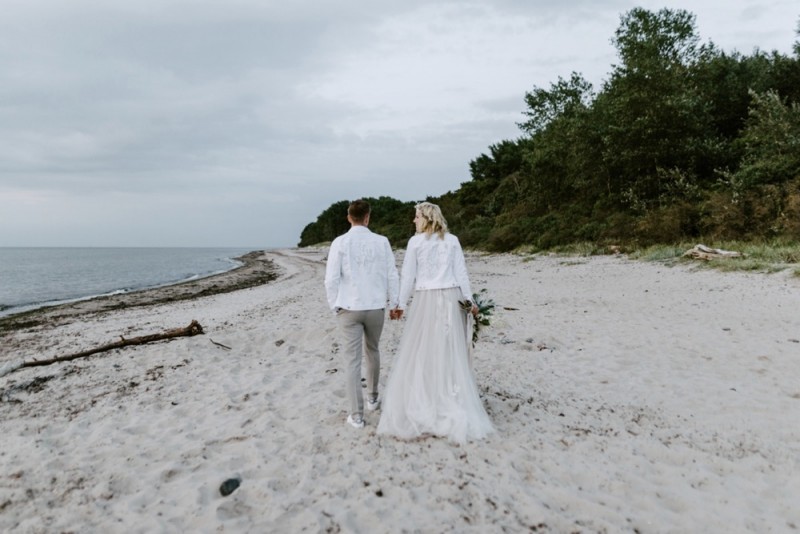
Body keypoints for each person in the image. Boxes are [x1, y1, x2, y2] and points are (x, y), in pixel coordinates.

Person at [377, 202, 494, 444]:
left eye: (417, 216)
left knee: (423, 350)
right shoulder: (452, 240)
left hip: (426, 300)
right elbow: (461, 274)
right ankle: (448, 398)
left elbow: (408, 276)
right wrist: (469, 301)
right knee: (448, 351)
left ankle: (429, 400)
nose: (414, 221)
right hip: (451, 299)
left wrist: (400, 304)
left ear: (427, 218)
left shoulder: (416, 243)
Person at [325, 199, 400, 429]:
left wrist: (334, 305)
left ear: (349, 217)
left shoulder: (340, 242)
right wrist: (395, 302)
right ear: (367, 217)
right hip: (375, 307)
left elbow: (331, 279)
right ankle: (373, 398)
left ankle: (357, 415)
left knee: (352, 360)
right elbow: (392, 275)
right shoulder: (382, 242)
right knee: (373, 351)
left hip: (349, 308)